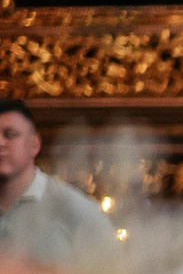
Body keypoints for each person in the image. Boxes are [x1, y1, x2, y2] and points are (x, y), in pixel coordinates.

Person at [0, 100, 115, 262]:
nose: (0, 143)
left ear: (34, 144)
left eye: (10, 135)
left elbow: (111, 272)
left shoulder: (78, 211)